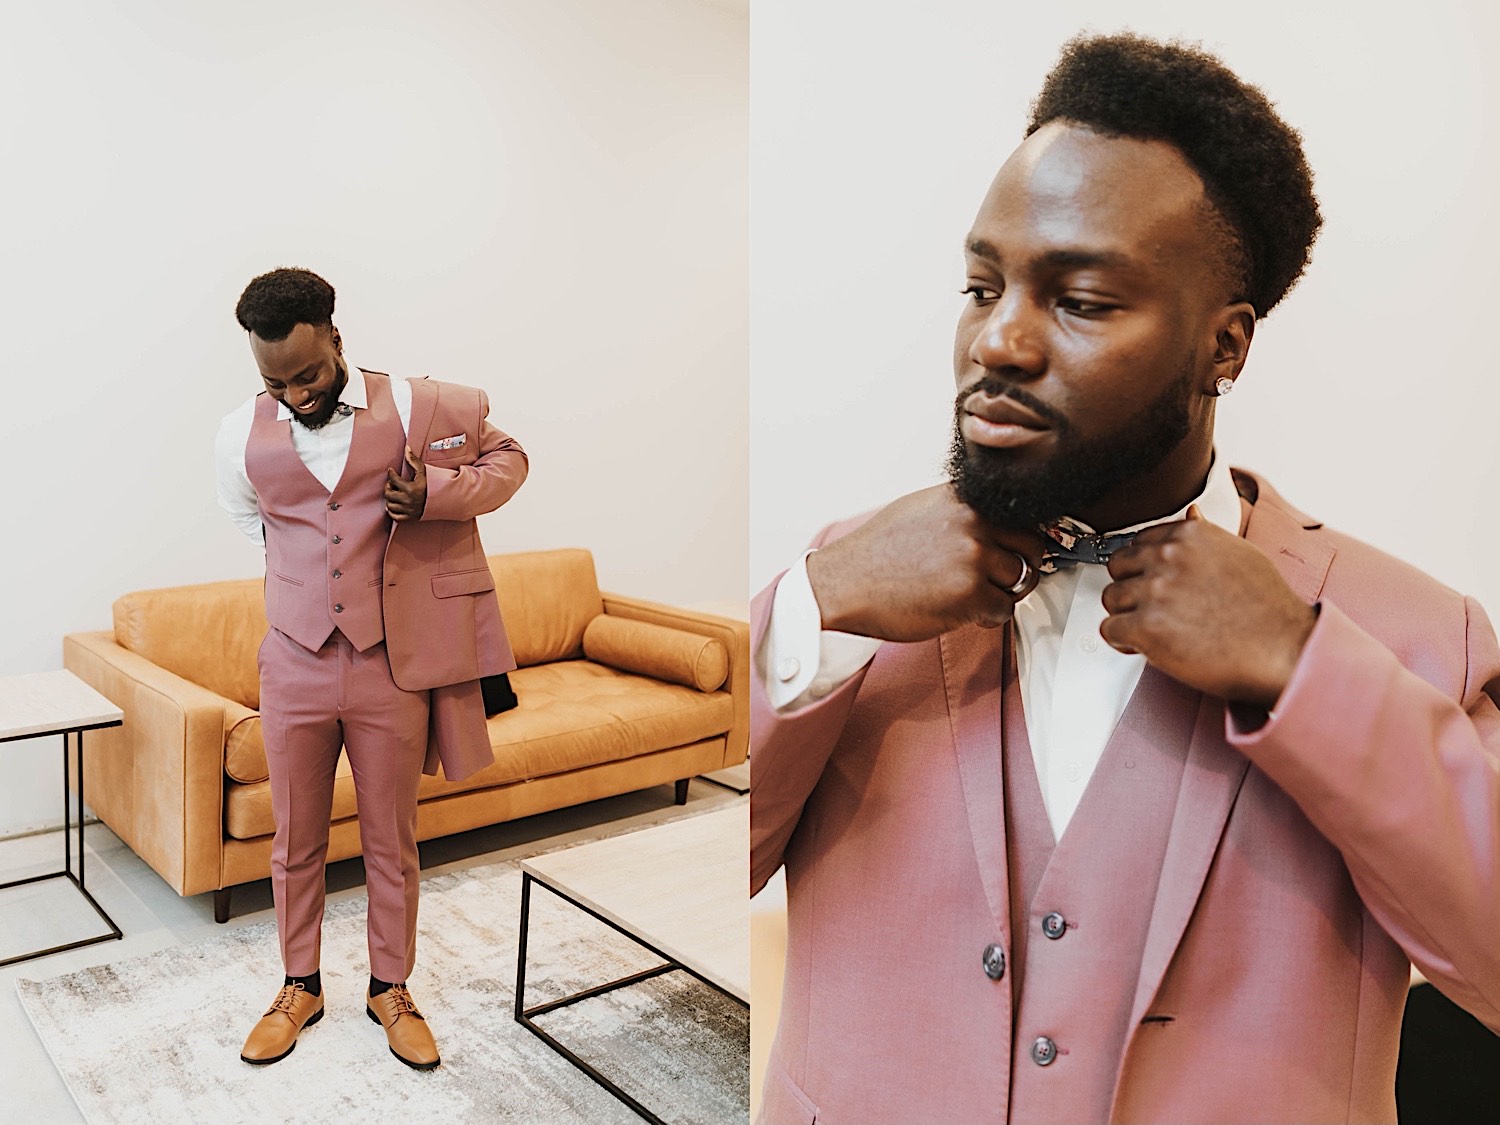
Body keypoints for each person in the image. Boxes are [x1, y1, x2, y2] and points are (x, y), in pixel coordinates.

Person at [750, 33, 1500, 1124]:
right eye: (980, 285)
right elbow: (712, 860)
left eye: (1083, 300)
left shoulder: (1423, 634)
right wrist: (813, 604)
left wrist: (1303, 671)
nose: (997, 341)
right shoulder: (851, 580)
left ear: (1223, 351)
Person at [215, 268, 528, 1069]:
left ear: (336, 339)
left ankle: (390, 986)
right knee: (296, 840)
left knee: (393, 840)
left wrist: (436, 495)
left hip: (393, 665)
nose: (294, 392)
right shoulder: (235, 436)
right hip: (292, 663)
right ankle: (300, 985)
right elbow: (258, 527)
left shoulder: (422, 406)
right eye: (274, 381)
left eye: (308, 373)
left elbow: (510, 459)